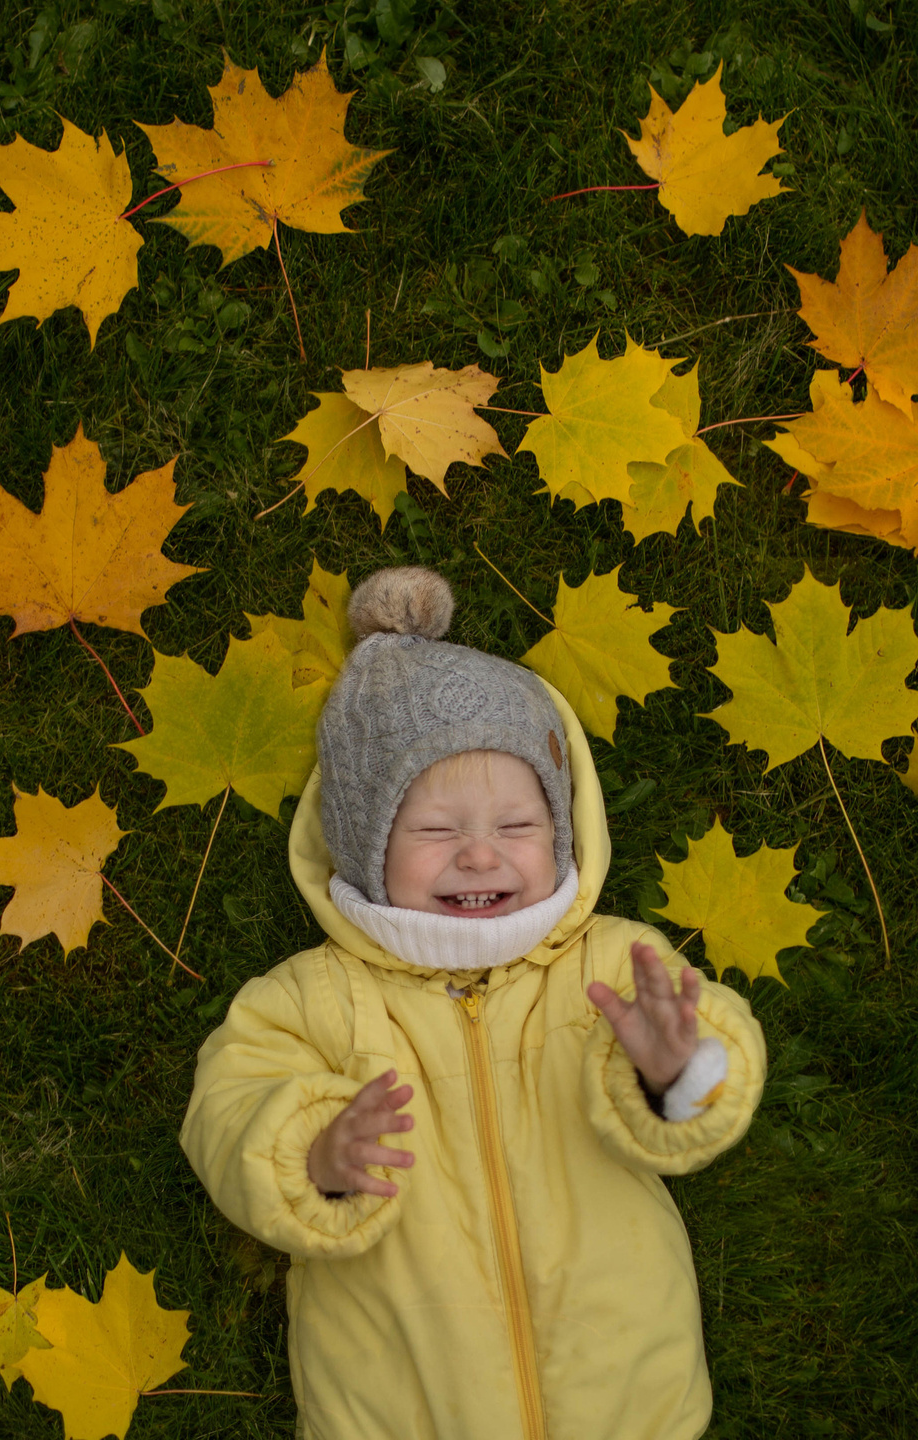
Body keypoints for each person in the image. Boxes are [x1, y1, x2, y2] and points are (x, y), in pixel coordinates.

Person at [182, 565, 767, 1440]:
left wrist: (680, 1070)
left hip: (631, 1402)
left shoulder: (611, 966)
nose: (482, 857)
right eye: (436, 831)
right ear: (364, 846)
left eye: (519, 827)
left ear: (565, 830)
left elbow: (715, 1079)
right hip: (397, 1409)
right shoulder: (310, 999)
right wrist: (313, 1154)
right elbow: (224, 1114)